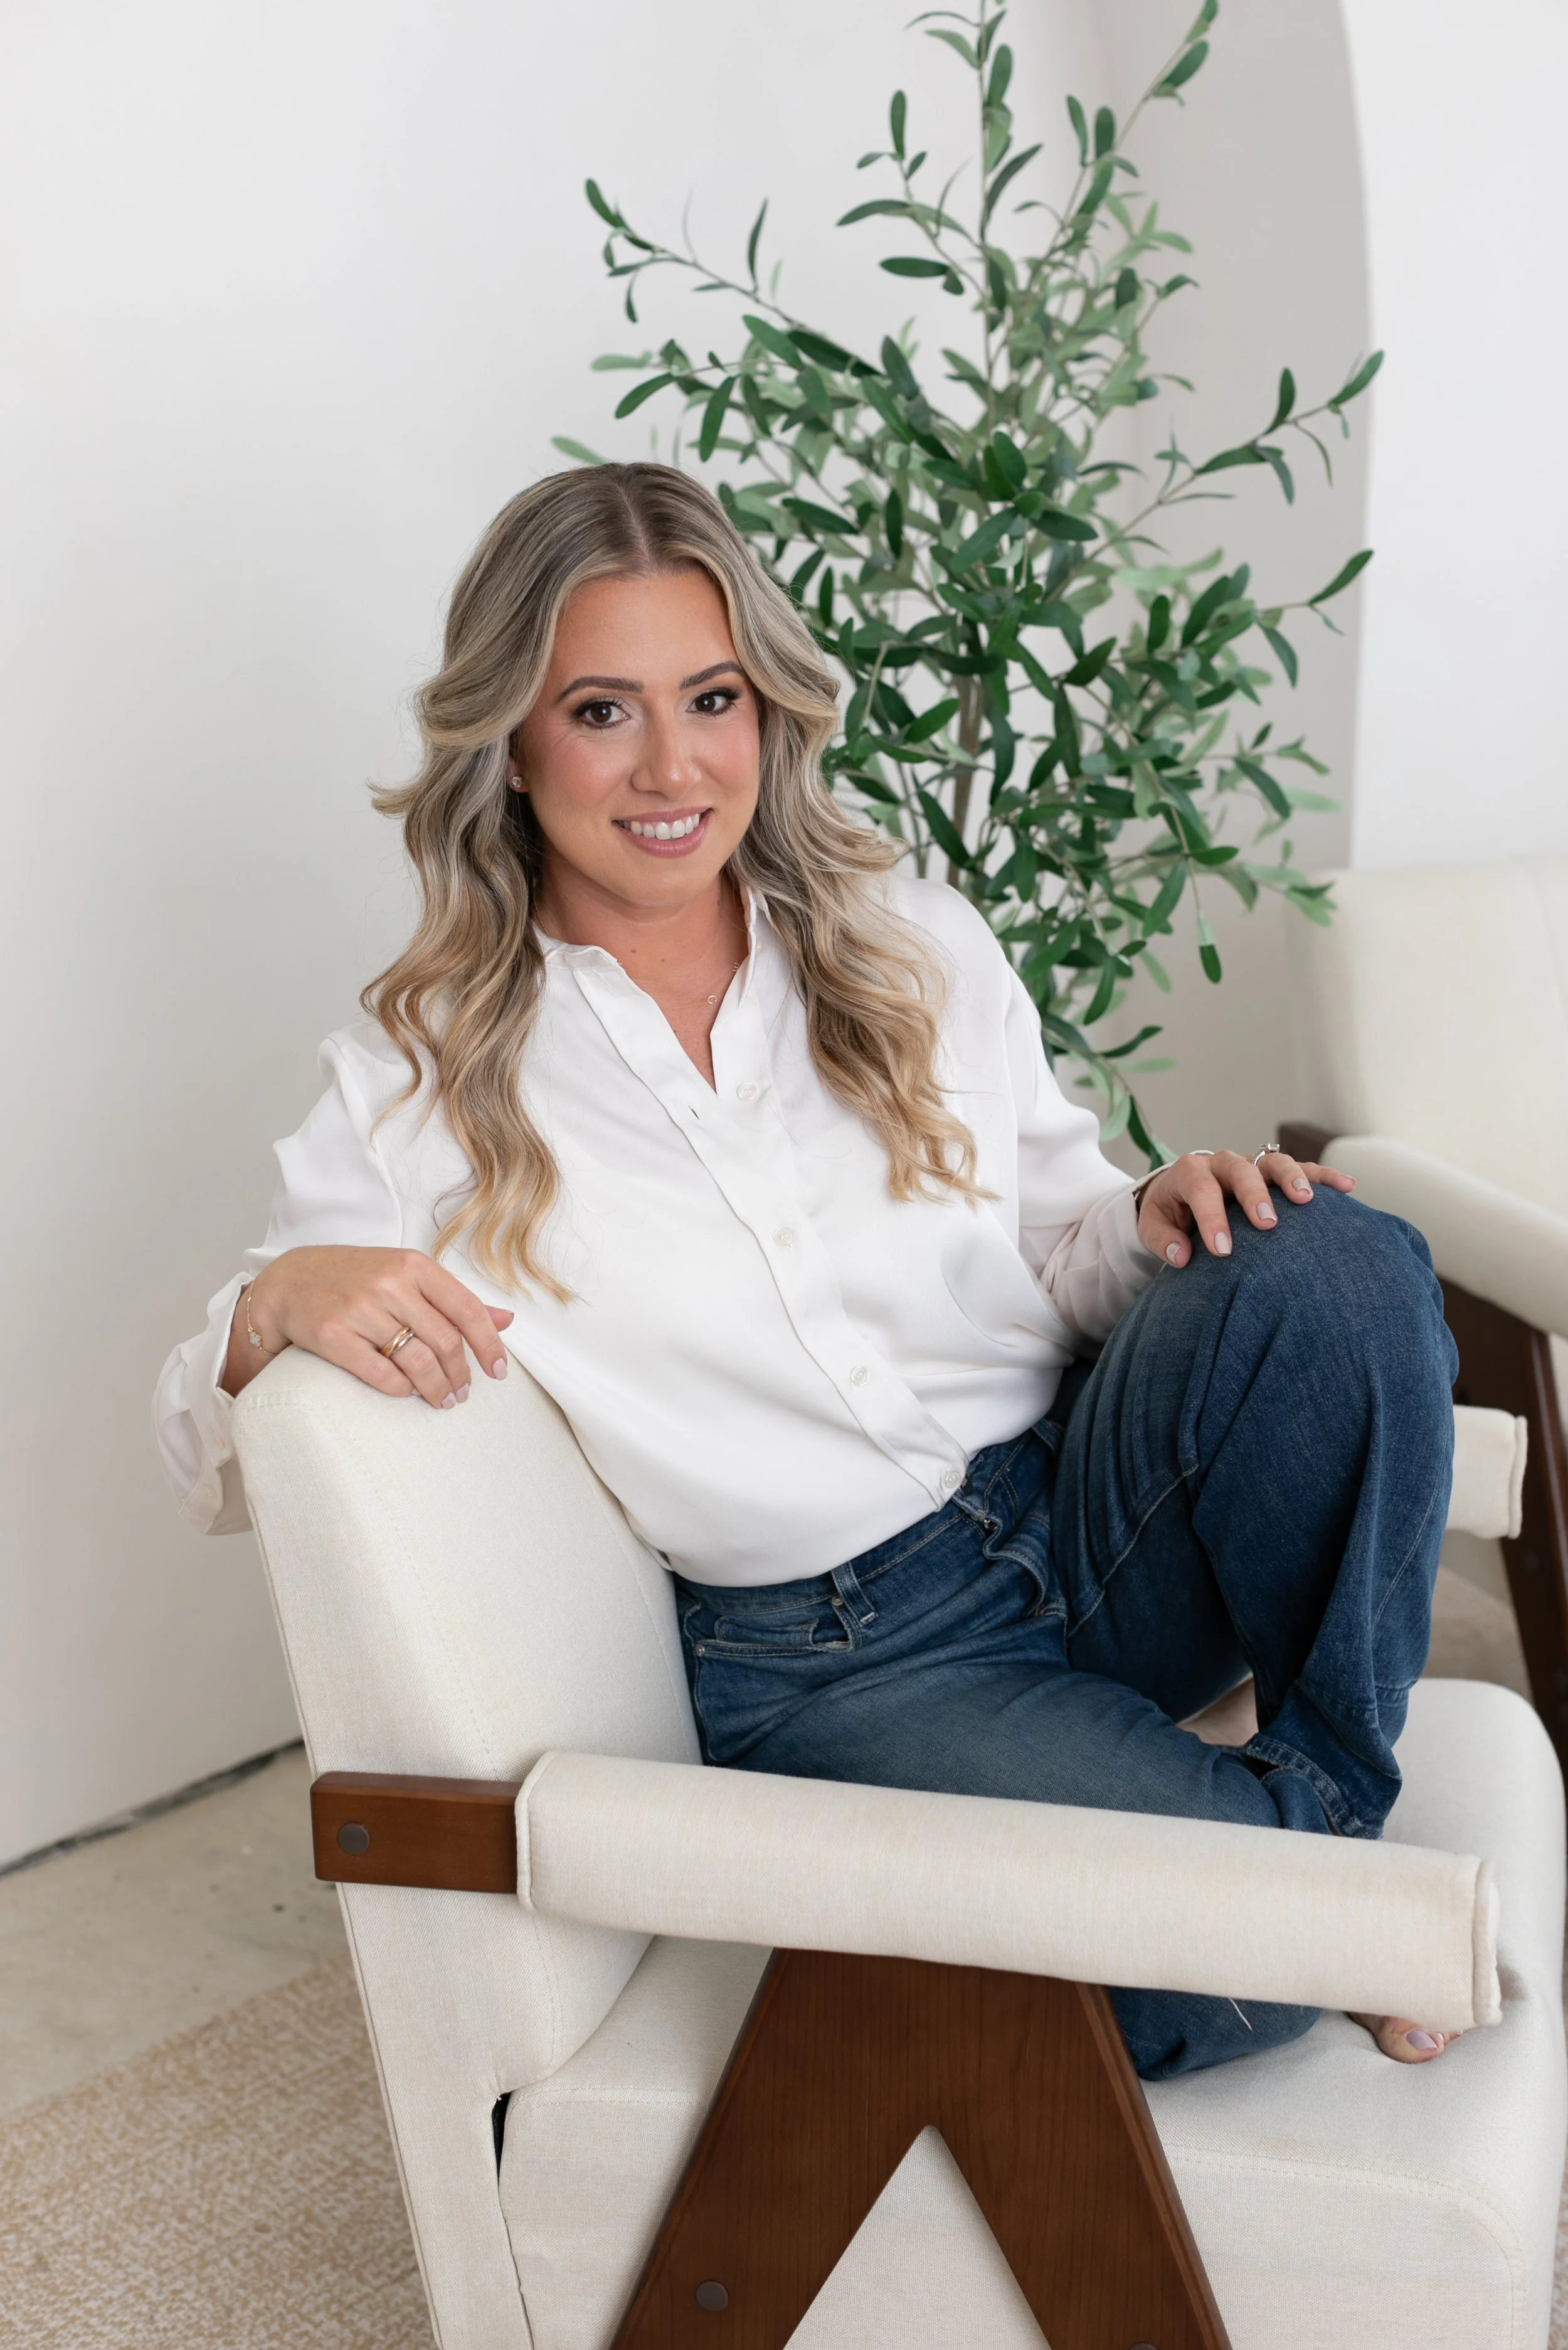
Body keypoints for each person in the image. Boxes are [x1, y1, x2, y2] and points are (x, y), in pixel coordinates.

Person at [156, 463, 1459, 2080]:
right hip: (838, 1660)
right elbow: (207, 1442)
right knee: (1201, 1986)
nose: (671, 764)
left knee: (1329, 1256)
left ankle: (1325, 1809)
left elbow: (1065, 1257)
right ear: (511, 740)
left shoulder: (904, 940)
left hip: (1083, 1507)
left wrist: (1162, 1215)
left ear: (766, 706)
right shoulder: (421, 1074)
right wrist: (274, 1304)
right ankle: (1307, 1897)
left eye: (710, 697)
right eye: (601, 710)